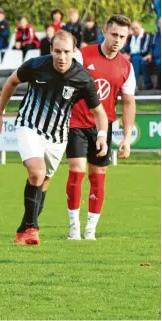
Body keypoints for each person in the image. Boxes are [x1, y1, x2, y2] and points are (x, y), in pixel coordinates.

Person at [0, 30, 109, 246]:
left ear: (74, 52)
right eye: (57, 51)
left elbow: (99, 112)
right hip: (29, 125)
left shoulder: (82, 77)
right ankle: (33, 228)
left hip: (57, 136)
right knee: (37, 172)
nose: (61, 56)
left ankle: (24, 228)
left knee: (43, 182)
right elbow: (11, 82)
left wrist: (102, 135)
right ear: (51, 50)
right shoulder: (36, 65)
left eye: (66, 52)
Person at [65, 14, 136, 240]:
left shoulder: (126, 67)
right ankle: (74, 227)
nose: (117, 40)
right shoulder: (82, 56)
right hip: (76, 122)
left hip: (102, 129)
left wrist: (126, 137)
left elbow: (128, 102)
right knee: (76, 171)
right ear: (104, 31)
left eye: (122, 37)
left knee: (98, 177)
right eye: (114, 34)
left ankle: (90, 230)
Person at [123, 21, 154, 90]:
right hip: (135, 56)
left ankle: (134, 84)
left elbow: (145, 50)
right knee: (135, 59)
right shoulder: (131, 37)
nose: (135, 30)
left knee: (136, 59)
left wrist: (131, 54)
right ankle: (147, 84)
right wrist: (126, 53)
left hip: (145, 56)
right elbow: (127, 48)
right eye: (133, 29)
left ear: (140, 26)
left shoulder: (147, 35)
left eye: (136, 28)